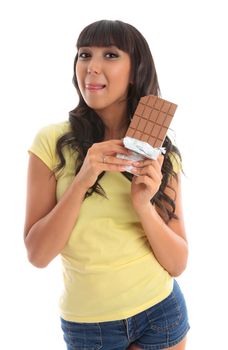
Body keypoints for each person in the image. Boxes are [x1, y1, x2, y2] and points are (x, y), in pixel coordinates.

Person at [24, 19, 190, 350]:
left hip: (160, 311)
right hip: (90, 326)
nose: (92, 67)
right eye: (85, 54)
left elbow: (177, 264)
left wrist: (143, 205)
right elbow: (38, 255)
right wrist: (82, 180)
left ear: (136, 71)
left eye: (111, 55)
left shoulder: (160, 155)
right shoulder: (51, 142)